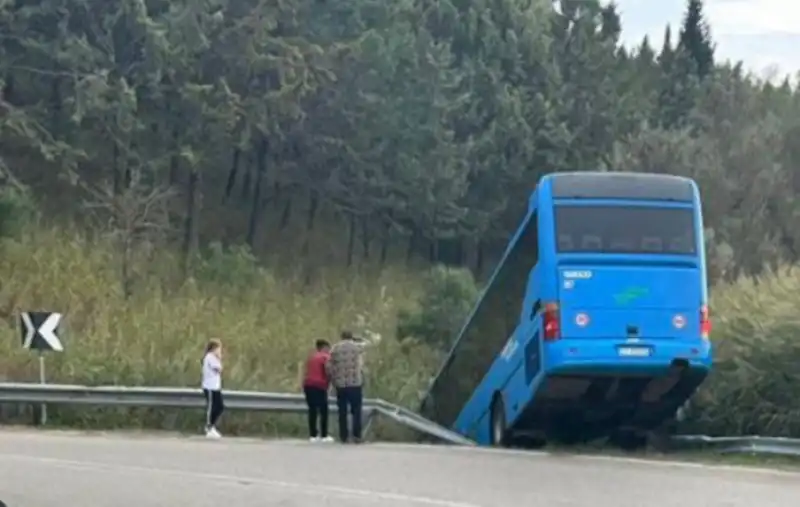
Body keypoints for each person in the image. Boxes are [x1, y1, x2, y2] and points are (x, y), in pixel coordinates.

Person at [325, 330, 365, 444]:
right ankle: (357, 436)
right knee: (356, 410)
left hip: (341, 384)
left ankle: (344, 436)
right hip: (355, 384)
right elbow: (361, 366)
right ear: (351, 337)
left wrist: (334, 379)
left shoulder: (335, 348)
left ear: (341, 337)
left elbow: (328, 366)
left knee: (342, 411)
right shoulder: (358, 349)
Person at [301, 339, 334, 442]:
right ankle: (324, 435)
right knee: (323, 410)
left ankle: (313, 435)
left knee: (312, 410)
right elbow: (328, 371)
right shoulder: (325, 357)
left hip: (308, 385)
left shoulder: (311, 357)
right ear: (324, 347)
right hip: (319, 385)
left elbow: (306, 371)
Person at [201, 338, 224, 439]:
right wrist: (218, 358)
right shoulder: (210, 357)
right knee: (212, 407)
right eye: (218, 348)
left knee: (219, 406)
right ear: (214, 348)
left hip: (216, 386)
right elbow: (218, 369)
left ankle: (212, 426)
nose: (220, 351)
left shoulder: (214, 358)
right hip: (209, 386)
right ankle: (209, 427)